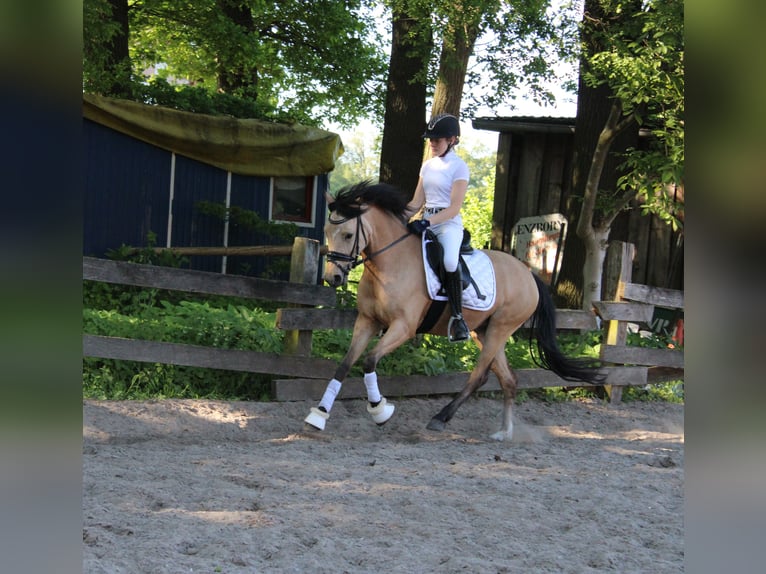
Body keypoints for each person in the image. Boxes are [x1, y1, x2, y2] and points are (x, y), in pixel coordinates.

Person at [407, 113, 470, 342]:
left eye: (438, 139)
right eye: (431, 139)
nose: (432, 143)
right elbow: (415, 203)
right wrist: (396, 217)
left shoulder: (459, 167)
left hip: (447, 226)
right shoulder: (427, 166)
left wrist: (427, 222)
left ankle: (457, 317)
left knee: (450, 261)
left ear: (452, 140)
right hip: (426, 223)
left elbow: (454, 208)